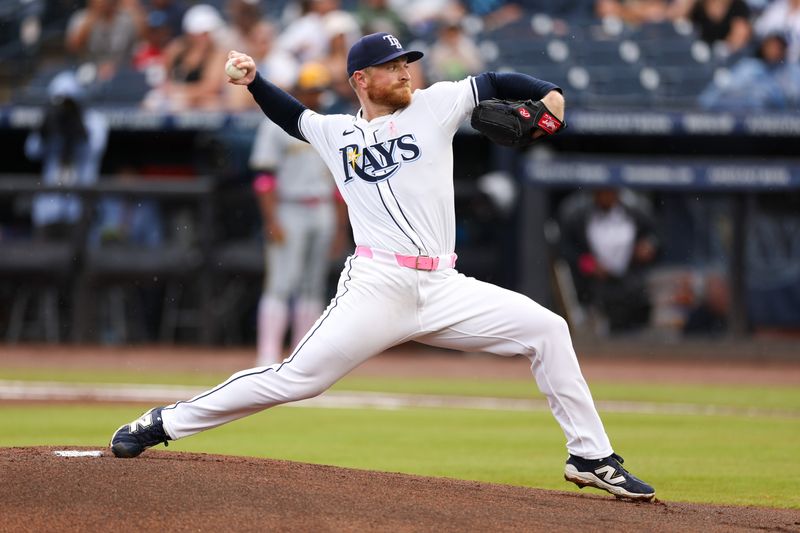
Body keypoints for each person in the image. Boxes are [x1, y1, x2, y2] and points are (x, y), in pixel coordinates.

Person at [109, 32, 656, 502]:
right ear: (361, 80)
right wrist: (253, 82)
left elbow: (491, 80)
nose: (404, 73)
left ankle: (590, 457)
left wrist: (547, 94)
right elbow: (291, 115)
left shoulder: (435, 104)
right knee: (296, 380)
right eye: (392, 68)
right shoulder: (335, 133)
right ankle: (163, 422)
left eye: (406, 64)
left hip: (444, 285)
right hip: (377, 285)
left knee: (548, 329)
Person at [250, 62, 349, 366]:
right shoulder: (275, 123)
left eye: (319, 89)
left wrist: (340, 229)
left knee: (313, 284)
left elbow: (340, 185)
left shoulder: (327, 124)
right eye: (310, 89)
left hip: (321, 209)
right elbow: (264, 179)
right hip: (289, 207)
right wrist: (271, 219)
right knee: (282, 282)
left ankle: (302, 354)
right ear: (299, 89)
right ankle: (267, 355)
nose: (315, 95)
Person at [558, 188, 659, 335]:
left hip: (629, 281)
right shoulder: (578, 216)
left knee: (634, 307)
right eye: (602, 192)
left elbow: (655, 236)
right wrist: (588, 265)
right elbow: (566, 249)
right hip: (592, 284)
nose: (606, 196)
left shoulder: (636, 213)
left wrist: (649, 245)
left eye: (610, 192)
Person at [25, 71, 109, 240]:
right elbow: (31, 151)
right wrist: (44, 129)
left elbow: (93, 148)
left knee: (78, 262)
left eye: (68, 103)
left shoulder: (94, 121)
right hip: (49, 206)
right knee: (45, 261)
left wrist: (75, 124)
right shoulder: (51, 122)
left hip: (79, 207)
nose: (63, 108)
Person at [698, 32, 800, 110]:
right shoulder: (749, 67)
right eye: (770, 46)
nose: (773, 51)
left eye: (778, 48)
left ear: (784, 49)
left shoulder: (793, 71)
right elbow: (725, 88)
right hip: (745, 120)